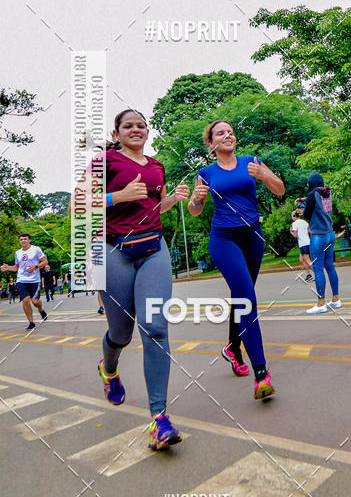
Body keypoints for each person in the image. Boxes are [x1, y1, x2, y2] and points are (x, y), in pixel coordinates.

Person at [76, 108, 189, 450]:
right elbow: (76, 205)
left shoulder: (156, 167)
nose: (136, 129)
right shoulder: (104, 161)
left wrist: (174, 199)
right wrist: (117, 197)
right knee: (121, 333)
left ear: (147, 131)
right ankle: (109, 369)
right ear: (118, 131)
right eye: (129, 125)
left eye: (141, 125)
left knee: (155, 328)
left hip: (153, 248)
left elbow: (153, 207)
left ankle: (159, 419)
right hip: (112, 250)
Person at [188, 119, 285, 400]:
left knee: (241, 297)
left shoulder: (251, 162)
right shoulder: (205, 173)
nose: (228, 135)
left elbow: (279, 189)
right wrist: (195, 199)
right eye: (221, 133)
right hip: (224, 239)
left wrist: (264, 176)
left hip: (252, 236)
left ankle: (232, 347)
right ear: (211, 143)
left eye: (230, 131)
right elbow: (195, 211)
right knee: (246, 298)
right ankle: (261, 374)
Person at [302, 173, 341, 314]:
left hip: (318, 235)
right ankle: (336, 299)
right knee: (330, 266)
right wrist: (305, 199)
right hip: (330, 233)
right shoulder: (327, 193)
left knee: (318, 269)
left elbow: (306, 214)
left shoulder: (312, 195)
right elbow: (319, 205)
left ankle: (321, 303)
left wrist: (301, 209)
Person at [1, 234, 49, 329]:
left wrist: (35, 267)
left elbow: (45, 262)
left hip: (35, 280)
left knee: (35, 301)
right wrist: (8, 268)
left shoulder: (36, 249)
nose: (23, 241)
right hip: (21, 280)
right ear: (19, 241)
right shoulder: (17, 253)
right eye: (21, 239)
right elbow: (16, 268)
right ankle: (31, 322)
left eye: (25, 239)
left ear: (29, 240)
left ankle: (40, 310)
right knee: (25, 300)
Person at [290, 209, 312, 281]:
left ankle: (318, 274)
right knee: (301, 259)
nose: (292, 218)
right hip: (308, 242)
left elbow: (296, 235)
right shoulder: (304, 222)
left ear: (294, 216)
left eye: (292, 216)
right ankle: (309, 274)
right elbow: (309, 231)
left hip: (303, 244)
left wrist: (291, 232)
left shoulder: (294, 224)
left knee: (308, 261)